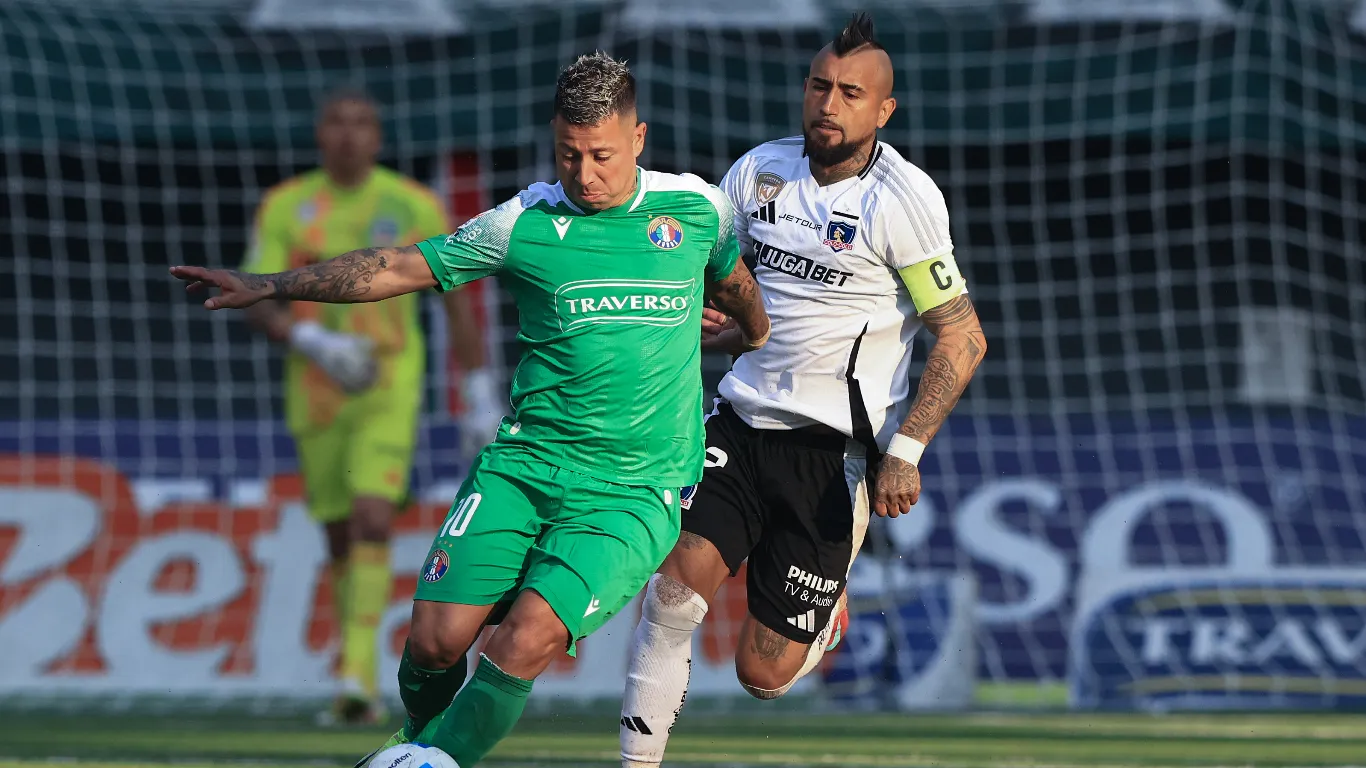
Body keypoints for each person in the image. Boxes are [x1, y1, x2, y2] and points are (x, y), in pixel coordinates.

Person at [172, 51, 769, 768]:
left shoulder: (697, 208)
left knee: (526, 636)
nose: (584, 174)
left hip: (631, 488)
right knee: (431, 642)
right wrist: (270, 285)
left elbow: (734, 282)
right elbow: (398, 268)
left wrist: (753, 335)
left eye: (602, 156)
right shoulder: (522, 222)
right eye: (567, 154)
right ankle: (416, 743)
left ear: (639, 138)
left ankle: (428, 762)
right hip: (522, 468)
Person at [618, 13, 988, 767]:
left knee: (762, 675)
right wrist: (714, 326)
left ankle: (822, 620)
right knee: (672, 593)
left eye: (851, 92)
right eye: (820, 85)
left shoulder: (903, 201)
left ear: (883, 111)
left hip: (834, 454)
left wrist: (906, 451)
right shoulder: (759, 172)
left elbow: (963, 337)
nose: (829, 103)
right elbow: (725, 287)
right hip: (739, 421)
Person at [236, 87, 499, 726]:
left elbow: (455, 296)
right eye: (337, 122)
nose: (350, 134)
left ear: (378, 138)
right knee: (337, 532)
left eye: (362, 123)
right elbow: (255, 293)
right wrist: (306, 336)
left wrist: (477, 389)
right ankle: (353, 666)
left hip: (388, 387)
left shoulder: (410, 202)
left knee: (373, 519)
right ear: (320, 134)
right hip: (317, 392)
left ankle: (357, 679)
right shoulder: (286, 206)